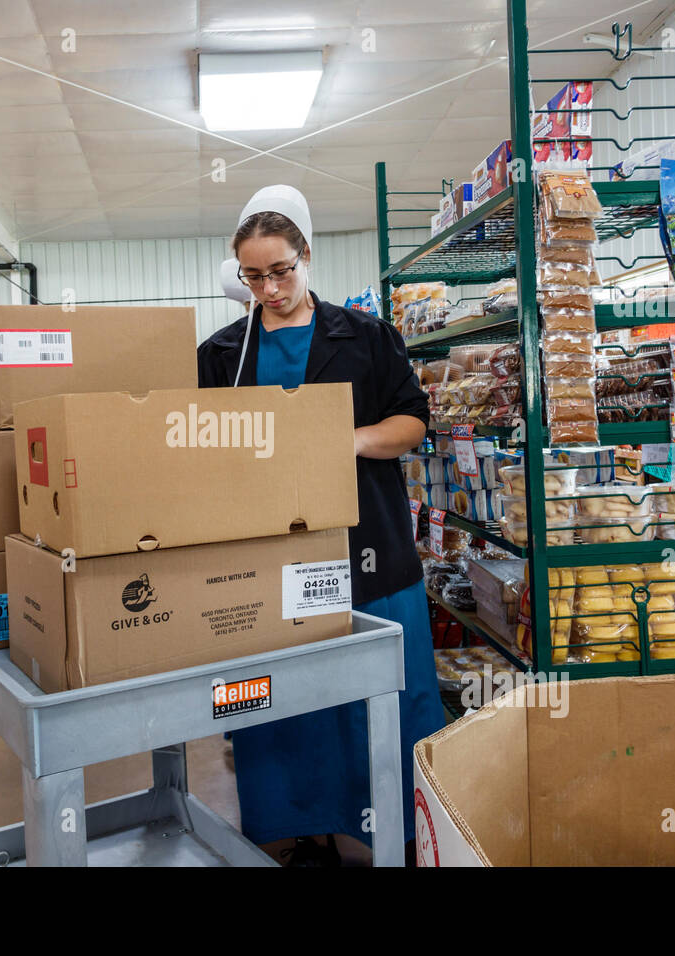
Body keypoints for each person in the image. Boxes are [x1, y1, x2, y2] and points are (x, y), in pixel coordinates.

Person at [197, 185, 444, 867]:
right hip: (267, 561)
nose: (270, 288)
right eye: (254, 276)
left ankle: (384, 833)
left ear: (307, 258)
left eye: (282, 271)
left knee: (378, 699)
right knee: (283, 706)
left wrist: (348, 439)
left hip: (369, 551)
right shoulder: (222, 354)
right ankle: (293, 830)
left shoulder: (365, 338)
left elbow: (414, 422)